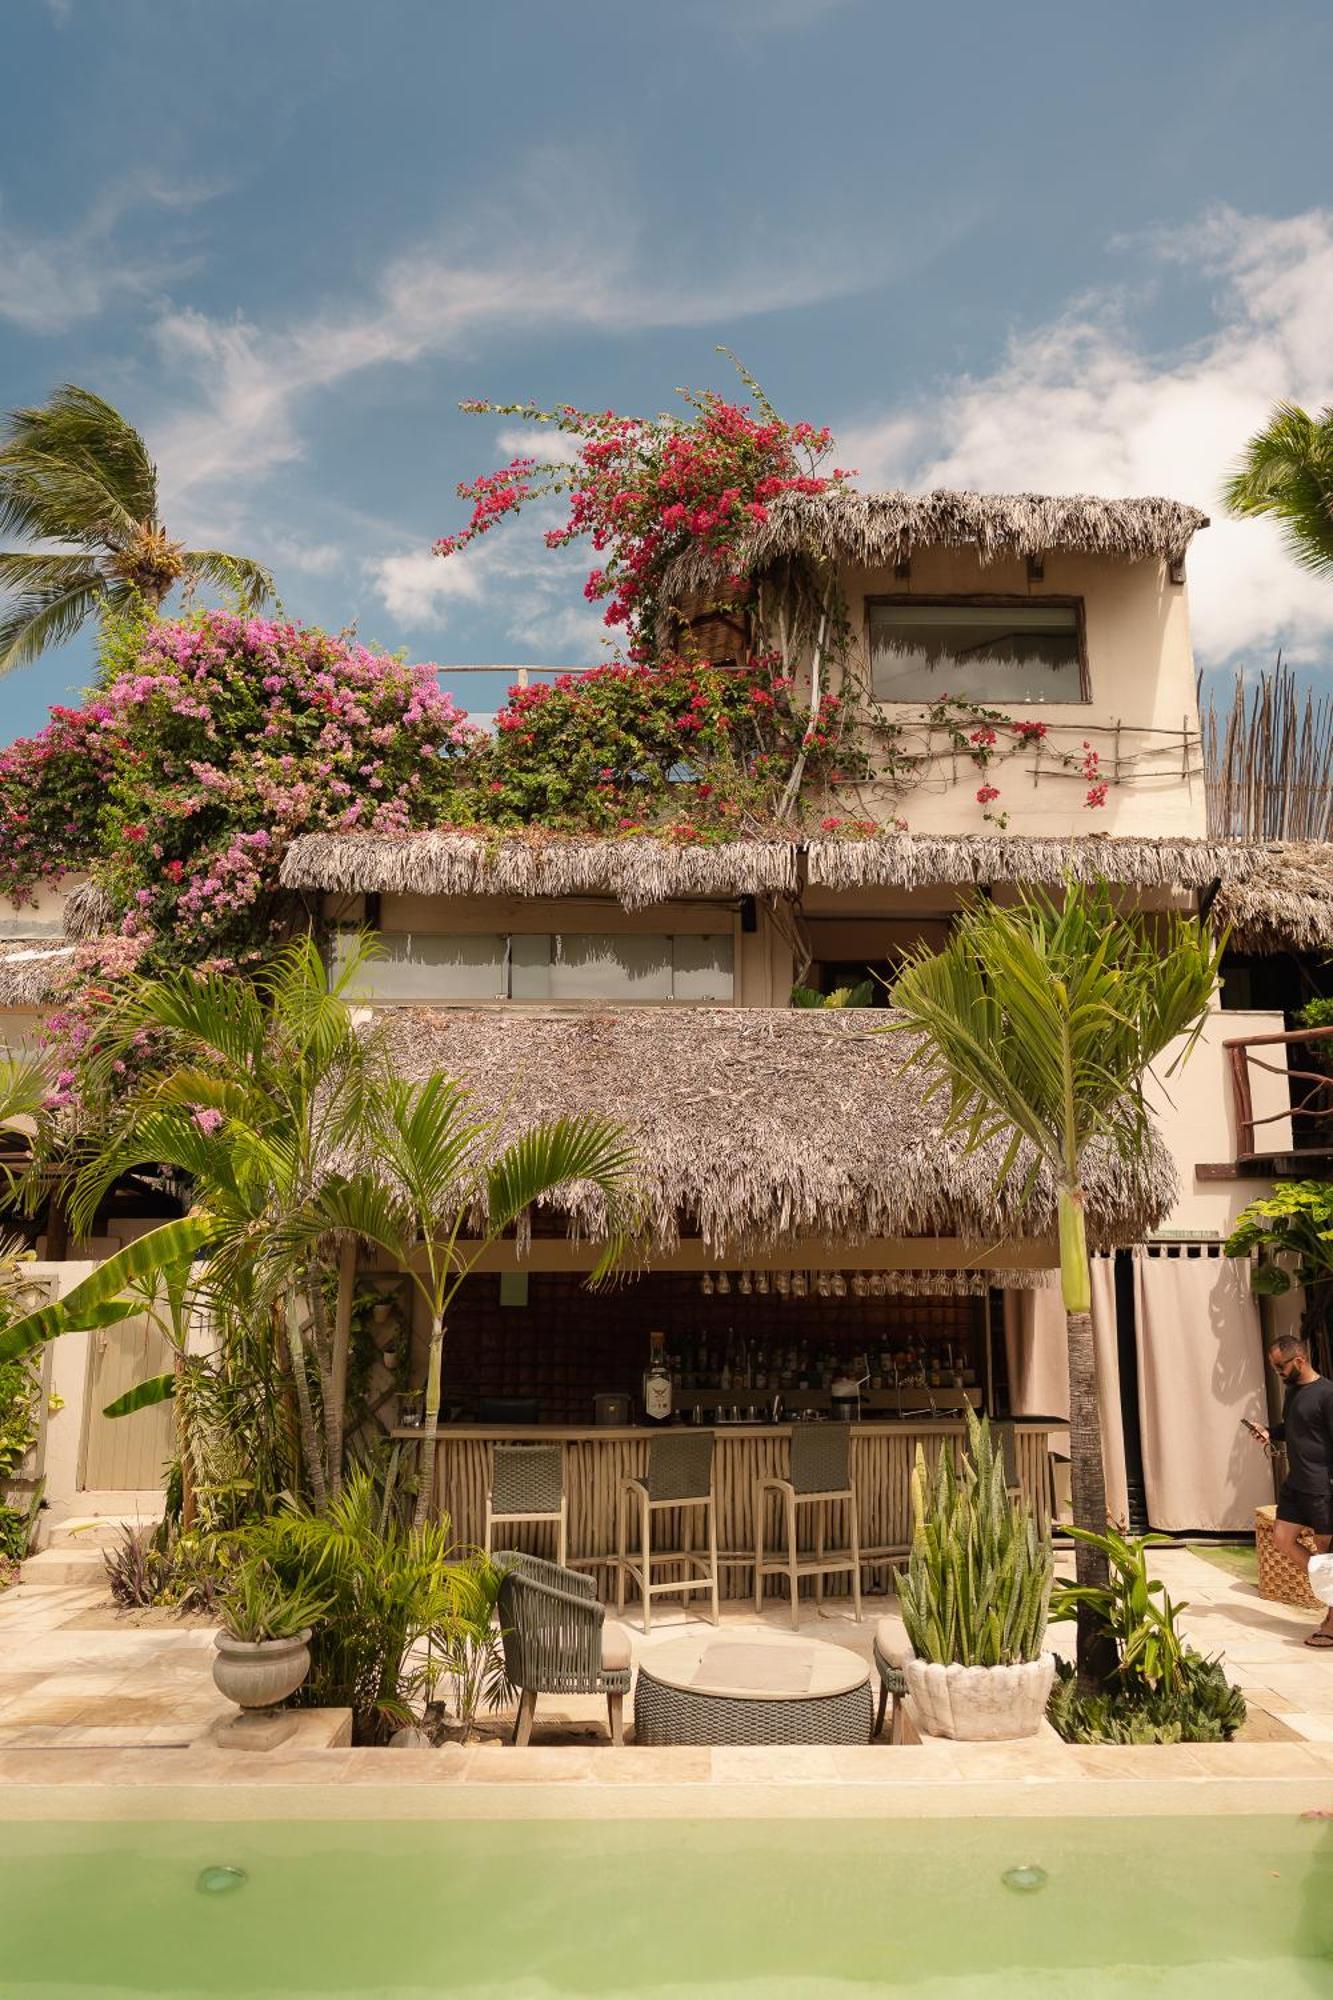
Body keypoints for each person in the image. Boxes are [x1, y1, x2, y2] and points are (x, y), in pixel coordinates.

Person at [1249, 1332, 1333, 1647]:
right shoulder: (1293, 1392)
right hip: (1296, 1484)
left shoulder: (1327, 1394)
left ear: (1299, 1360)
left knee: (1327, 1553)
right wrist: (1270, 1432)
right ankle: (1327, 1585)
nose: (1278, 1373)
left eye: (1280, 1367)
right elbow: (1297, 1429)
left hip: (1321, 1487)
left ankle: (1332, 1621)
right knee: (1282, 1539)